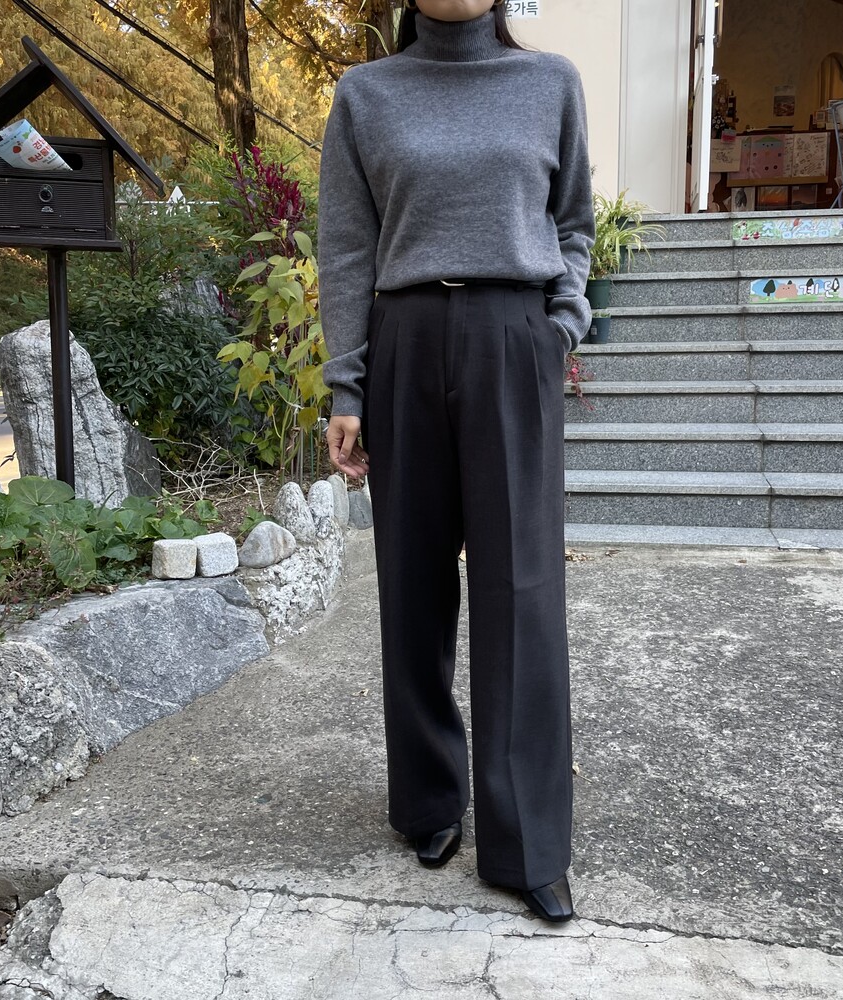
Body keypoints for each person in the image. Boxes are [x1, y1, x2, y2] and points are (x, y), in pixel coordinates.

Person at [317, 0, 594, 923]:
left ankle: (528, 841)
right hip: (402, 339)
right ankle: (429, 800)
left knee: (523, 591)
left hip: (514, 338)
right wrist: (347, 387)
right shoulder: (366, 94)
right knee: (414, 583)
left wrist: (559, 326)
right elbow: (347, 247)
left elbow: (573, 222)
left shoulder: (548, 83)